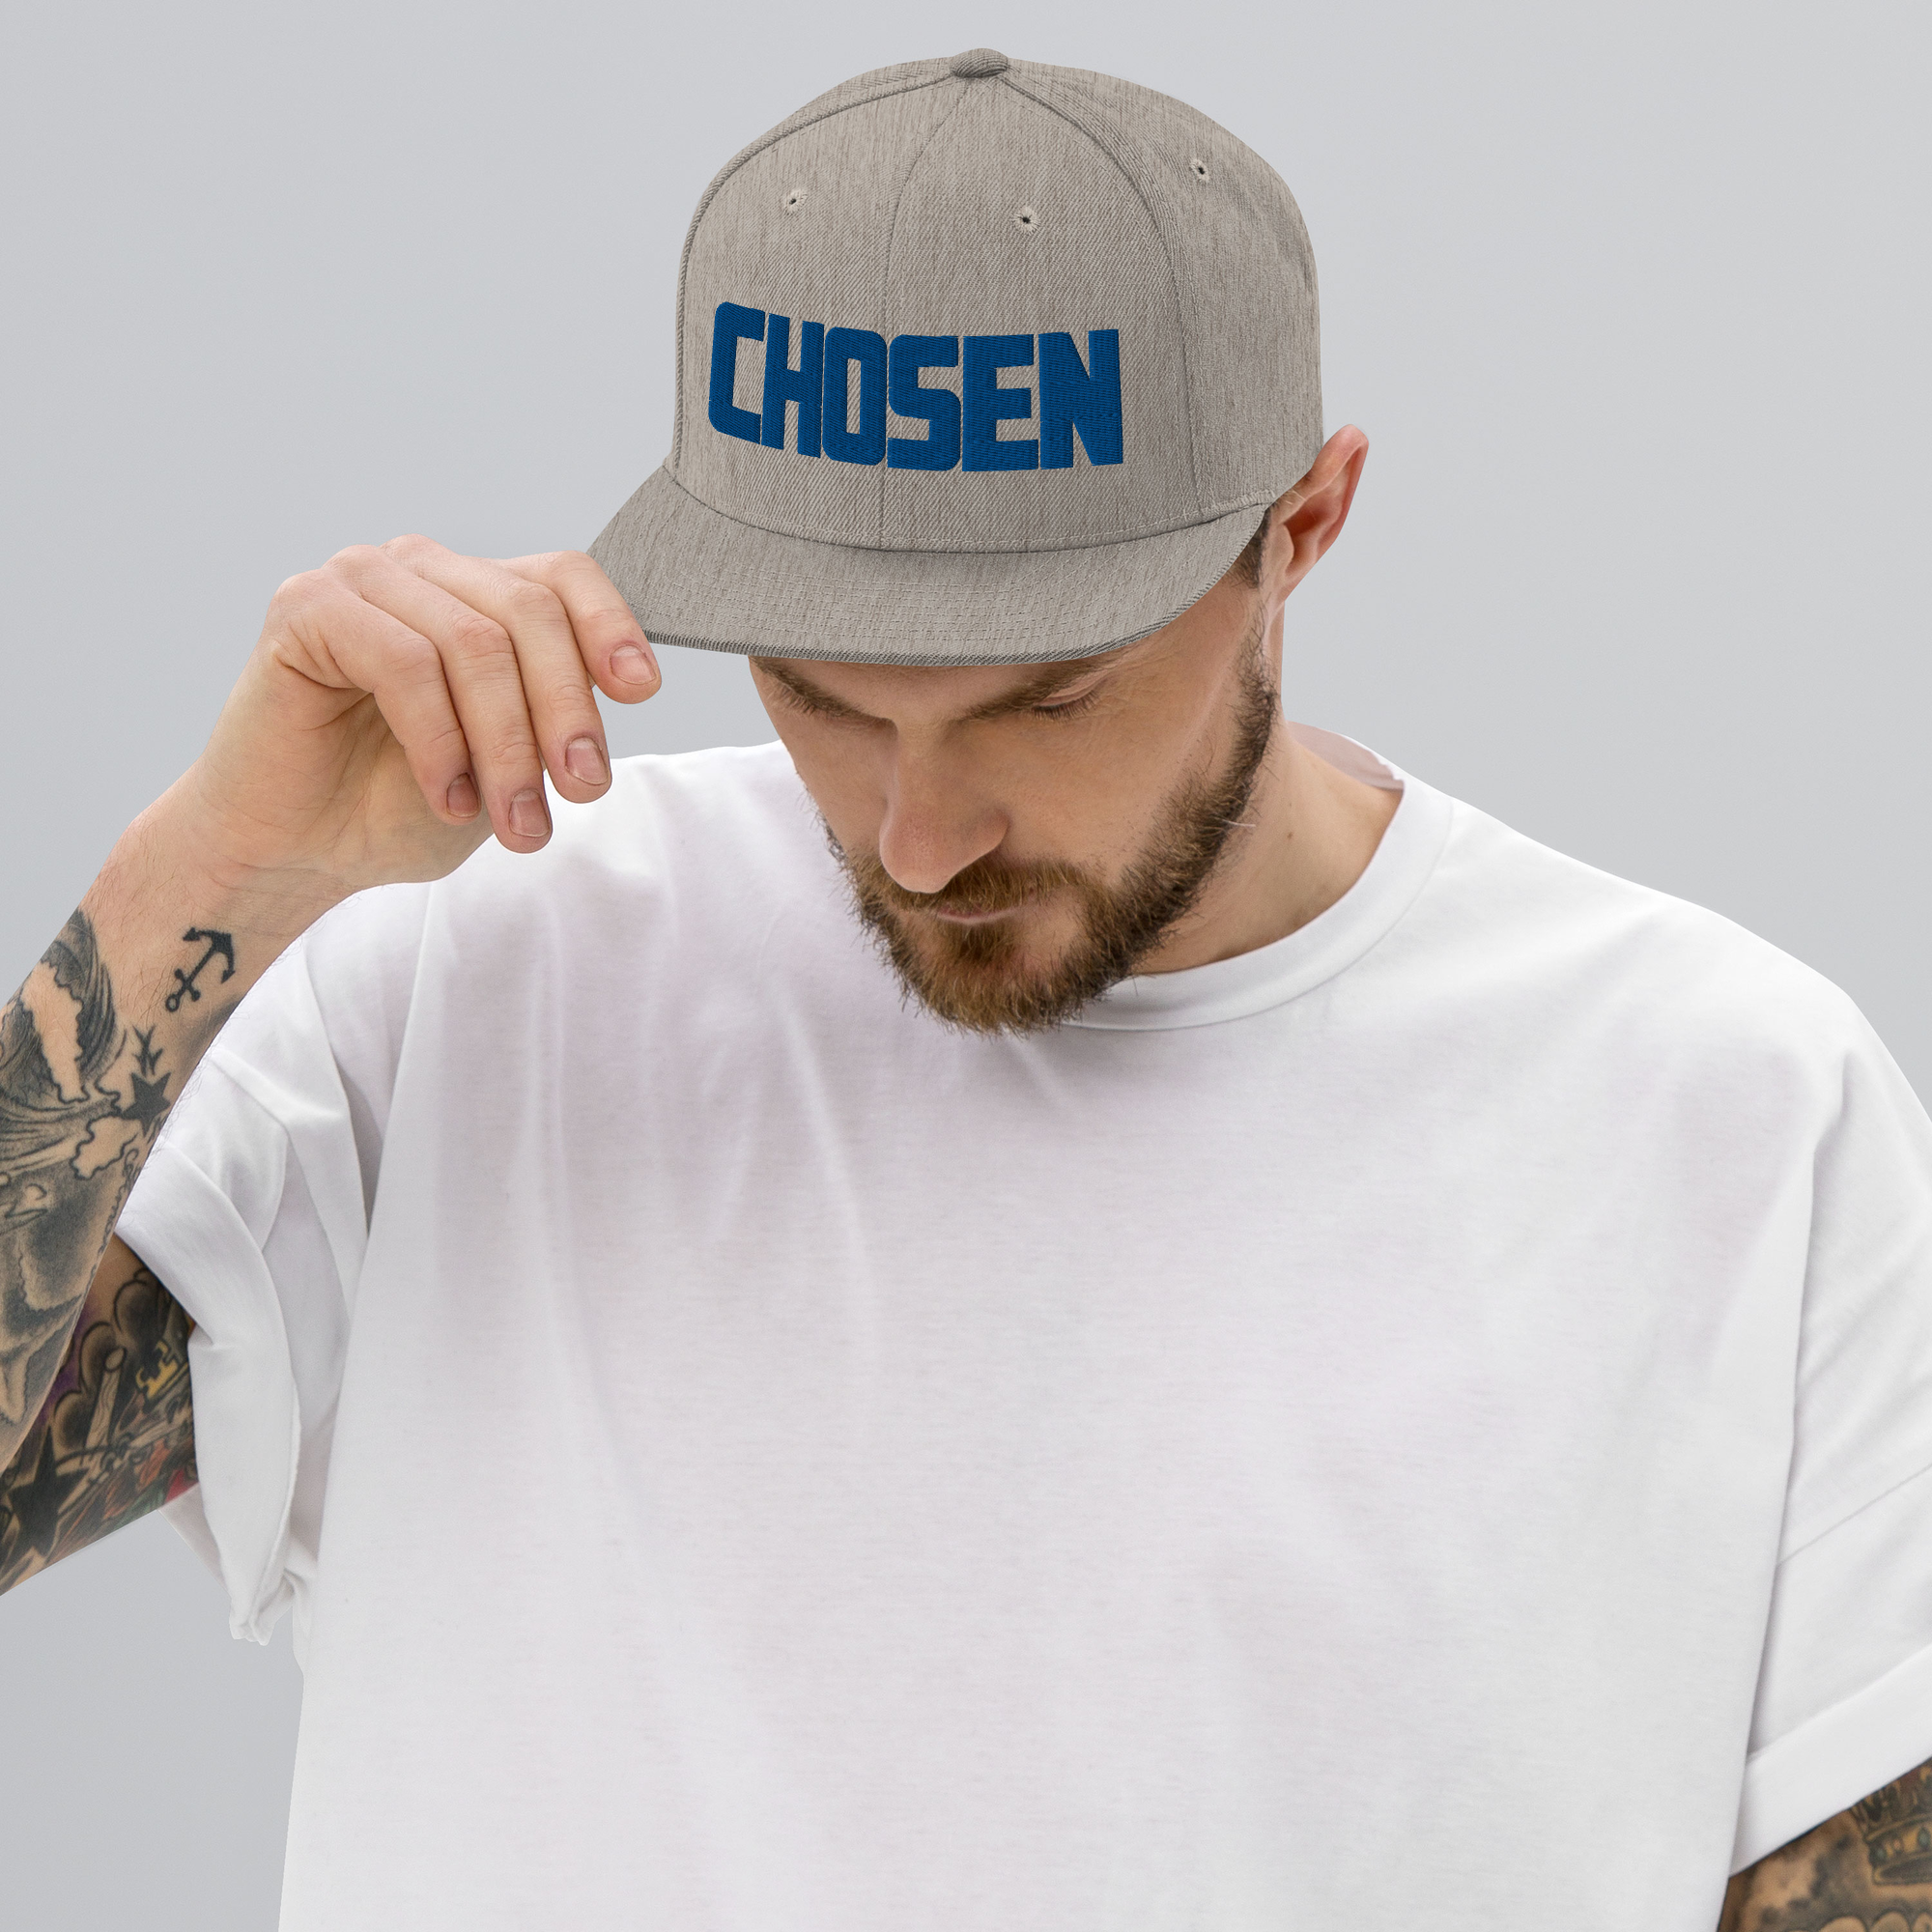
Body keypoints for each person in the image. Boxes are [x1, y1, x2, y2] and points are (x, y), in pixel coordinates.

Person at [0, 46, 1927, 1932]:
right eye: (823, 695)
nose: (917, 841)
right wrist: (215, 875)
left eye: (1048, 701)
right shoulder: (475, 970)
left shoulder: (1733, 1112)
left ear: (1302, 529)